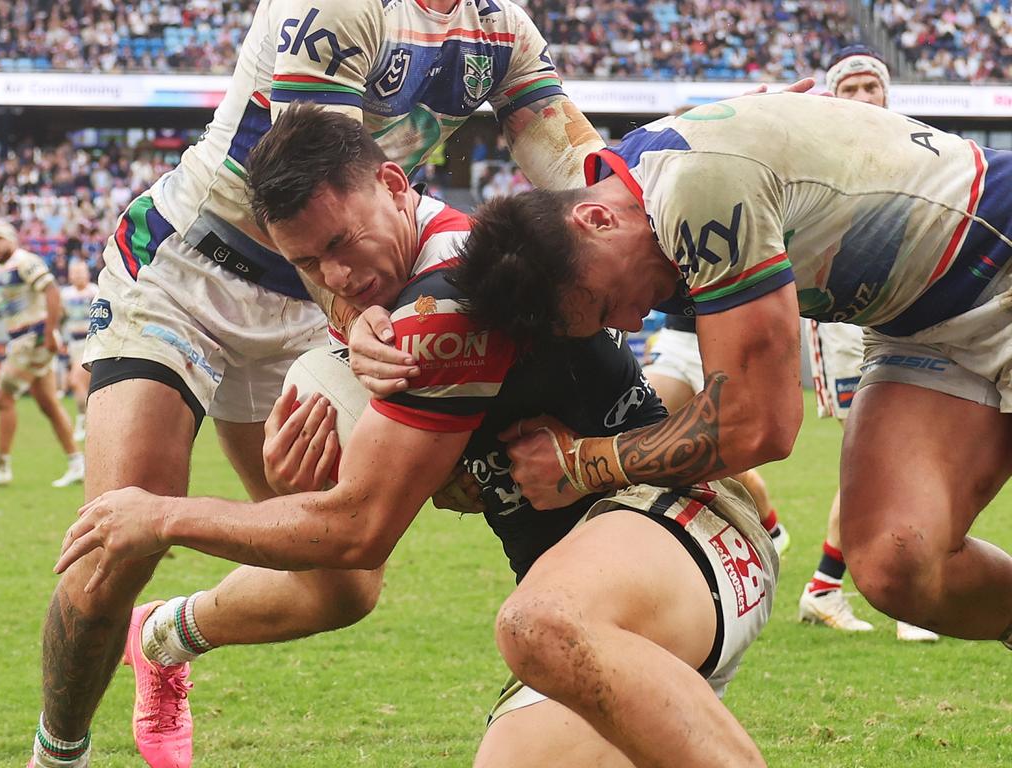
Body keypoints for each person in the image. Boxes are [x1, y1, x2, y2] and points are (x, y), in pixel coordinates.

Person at [56, 105, 778, 768]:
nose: (336, 274)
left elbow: (356, 533)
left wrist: (161, 517)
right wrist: (322, 470)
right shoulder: (400, 292)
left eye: (341, 242)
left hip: (683, 531)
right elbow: (460, 484)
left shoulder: (449, 298)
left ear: (396, 185)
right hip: (611, 571)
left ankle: (151, 648)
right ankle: (165, 638)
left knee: (530, 623)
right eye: (308, 265)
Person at [30, 1, 608, 766]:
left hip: (318, 297)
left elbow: (580, 172)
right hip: (192, 272)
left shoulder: (502, 29)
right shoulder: (338, 6)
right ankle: (57, 754)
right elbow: (310, 178)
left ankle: (163, 637)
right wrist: (356, 320)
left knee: (341, 586)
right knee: (114, 544)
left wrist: (648, 214)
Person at [388, 91, 1012, 651]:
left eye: (608, 307)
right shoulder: (635, 191)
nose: (631, 324)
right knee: (896, 564)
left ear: (596, 220)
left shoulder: (693, 189)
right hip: (921, 321)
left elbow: (759, 426)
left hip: (997, 257)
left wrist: (580, 463)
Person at [797, 46, 938, 642]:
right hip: (844, 324)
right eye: (849, 89)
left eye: (870, 88)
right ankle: (894, 599)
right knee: (884, 460)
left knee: (887, 461)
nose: (861, 99)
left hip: (901, 315)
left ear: (887, 94)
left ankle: (827, 587)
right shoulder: (819, 153)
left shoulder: (916, 151)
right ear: (833, 97)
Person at [644, 289, 790, 558]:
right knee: (644, 433)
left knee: (725, 461)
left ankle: (772, 530)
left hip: (729, 338)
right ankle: (657, 536)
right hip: (678, 339)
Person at [0, 221, 84, 489]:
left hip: (35, 337)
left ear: (12, 240)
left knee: (3, 396)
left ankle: (1, 465)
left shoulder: (25, 261)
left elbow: (51, 291)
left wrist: (50, 331)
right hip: (19, 339)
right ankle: (77, 463)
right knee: (48, 404)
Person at [59, 260, 98, 443]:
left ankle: (85, 419)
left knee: (76, 380)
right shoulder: (65, 294)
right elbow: (61, 319)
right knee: (80, 383)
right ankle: (86, 419)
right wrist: (62, 340)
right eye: (74, 272)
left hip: (92, 341)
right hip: (74, 343)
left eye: (81, 272)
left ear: (87, 273)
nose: (78, 275)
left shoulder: (95, 291)